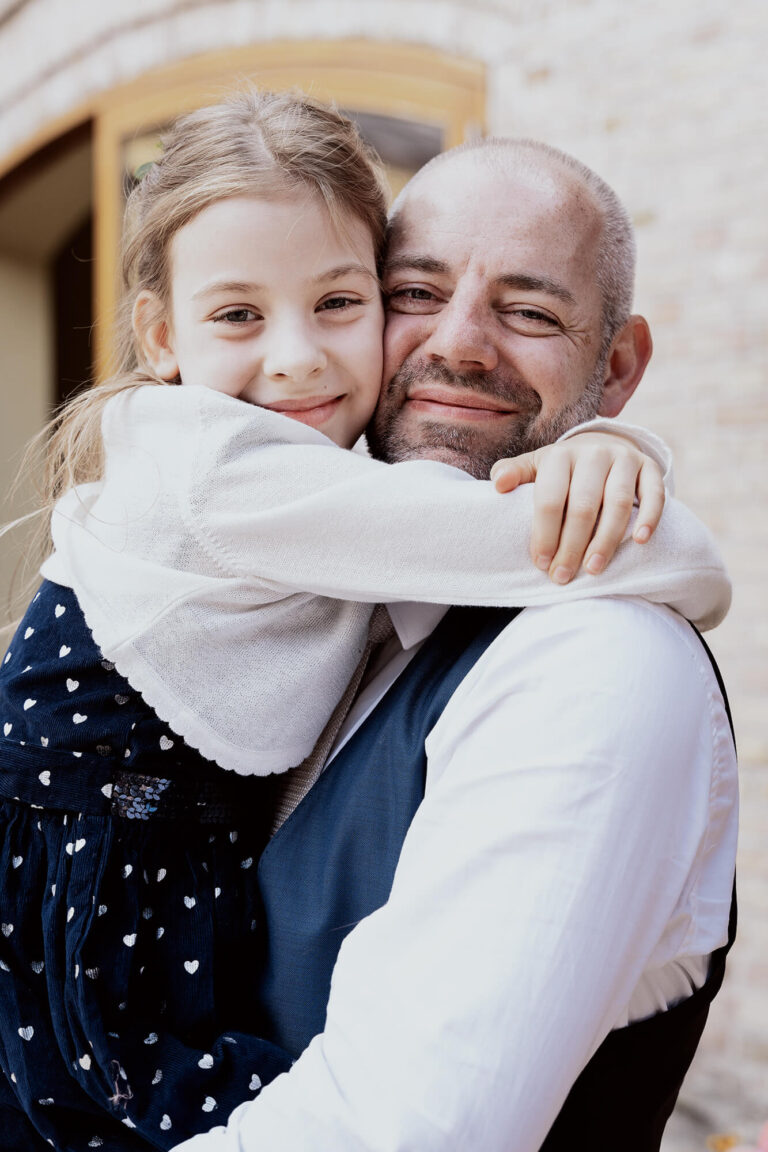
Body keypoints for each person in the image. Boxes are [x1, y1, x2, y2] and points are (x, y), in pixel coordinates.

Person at [0, 92, 728, 1150]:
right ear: (166, 336)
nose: (460, 346)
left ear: (615, 367)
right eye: (413, 292)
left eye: (529, 312)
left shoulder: (595, 659)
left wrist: (629, 479)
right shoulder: (332, 566)